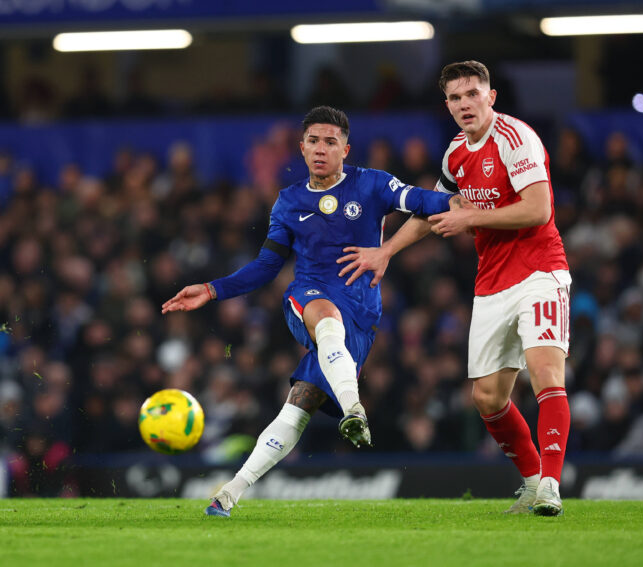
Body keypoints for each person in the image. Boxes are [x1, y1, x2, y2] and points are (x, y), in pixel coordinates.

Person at [161, 106, 467, 517]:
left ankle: (229, 493)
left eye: (330, 141)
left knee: (299, 403)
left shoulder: (372, 184)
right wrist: (213, 290)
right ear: (301, 148)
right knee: (325, 318)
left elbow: (421, 200)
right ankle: (354, 409)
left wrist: (462, 202)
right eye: (313, 141)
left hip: (362, 312)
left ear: (346, 148)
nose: (321, 149)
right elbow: (267, 266)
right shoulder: (288, 202)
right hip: (309, 293)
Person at [339, 61, 571, 516]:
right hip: (492, 281)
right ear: (446, 104)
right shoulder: (454, 155)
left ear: (491, 96)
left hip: (541, 271)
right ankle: (530, 483)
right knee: (487, 398)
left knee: (546, 376)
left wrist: (472, 217)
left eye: (472, 94)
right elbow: (432, 211)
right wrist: (386, 251)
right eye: (455, 97)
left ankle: (551, 484)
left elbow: (539, 209)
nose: (465, 104)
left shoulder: (515, 138)